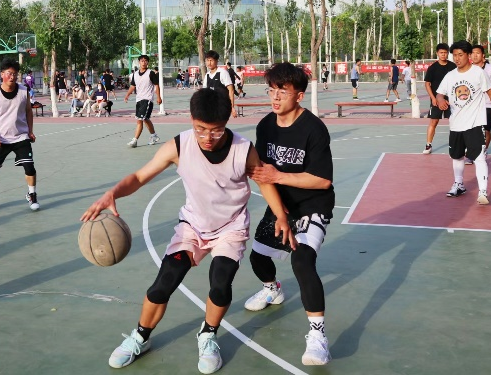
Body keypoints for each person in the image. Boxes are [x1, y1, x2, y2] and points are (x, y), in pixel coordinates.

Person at [81, 88, 289, 374]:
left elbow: (264, 183)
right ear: (192, 120)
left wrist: (281, 215)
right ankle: (141, 336)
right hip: (193, 226)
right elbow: (140, 176)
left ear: (226, 123)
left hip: (230, 228)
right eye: (200, 129)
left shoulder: (243, 149)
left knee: (220, 282)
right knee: (164, 281)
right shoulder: (179, 146)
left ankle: (208, 334)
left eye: (215, 131)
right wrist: (112, 193)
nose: (207, 137)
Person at [244, 62, 335, 366]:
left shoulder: (314, 129)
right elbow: (262, 173)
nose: (275, 96)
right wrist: (278, 210)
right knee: (257, 257)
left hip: (312, 205)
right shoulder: (265, 126)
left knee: (302, 261)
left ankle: (318, 336)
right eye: (271, 90)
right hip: (281, 205)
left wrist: (278, 176)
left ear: (299, 95)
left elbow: (322, 180)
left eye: (283, 91)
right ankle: (272, 290)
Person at [436, 40, 491, 204]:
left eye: (460, 55)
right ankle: (459, 184)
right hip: (456, 123)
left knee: (479, 157)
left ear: (468, 56)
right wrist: (440, 100)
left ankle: (483, 192)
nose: (457, 58)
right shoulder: (450, 75)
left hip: (475, 123)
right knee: (457, 156)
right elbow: (440, 93)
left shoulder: (478, 73)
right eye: (455, 55)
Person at [0, 57, 39, 213]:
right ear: (2, 74)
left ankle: (32, 195)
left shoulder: (24, 91)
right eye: (9, 73)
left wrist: (30, 131)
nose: (12, 76)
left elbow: (28, 112)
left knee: (30, 167)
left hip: (21, 136)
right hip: (1, 139)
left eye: (15, 74)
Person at [423, 43, 457, 154]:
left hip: (451, 100)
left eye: (445, 52)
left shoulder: (453, 67)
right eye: (441, 52)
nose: (443, 54)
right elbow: (427, 84)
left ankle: (457, 144)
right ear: (437, 53)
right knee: (434, 121)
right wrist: (433, 98)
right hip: (436, 100)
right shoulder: (432, 68)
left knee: (454, 122)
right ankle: (428, 145)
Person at [471, 44, 491, 154]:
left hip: (488, 104)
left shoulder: (490, 68)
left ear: (483, 55)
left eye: (477, 53)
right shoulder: (469, 69)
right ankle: (473, 151)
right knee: (473, 130)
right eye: (473, 53)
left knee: (486, 130)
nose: (475, 55)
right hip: (473, 105)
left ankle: (483, 151)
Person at [124, 54, 162, 147]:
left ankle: (135, 140)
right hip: (139, 100)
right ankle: (154, 135)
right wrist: (127, 95)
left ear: (147, 62)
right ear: (139, 62)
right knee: (145, 119)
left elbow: (156, 85)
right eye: (142, 61)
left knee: (140, 120)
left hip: (147, 99)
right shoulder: (135, 74)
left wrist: (159, 97)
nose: (144, 62)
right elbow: (133, 86)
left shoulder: (151, 73)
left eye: (145, 61)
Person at [204, 50, 237, 118]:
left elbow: (231, 90)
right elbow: (204, 92)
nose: (209, 63)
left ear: (216, 61)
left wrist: (232, 107)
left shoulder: (223, 72)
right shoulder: (207, 75)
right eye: (207, 60)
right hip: (210, 107)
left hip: (221, 106)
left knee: (218, 123)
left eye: (211, 60)